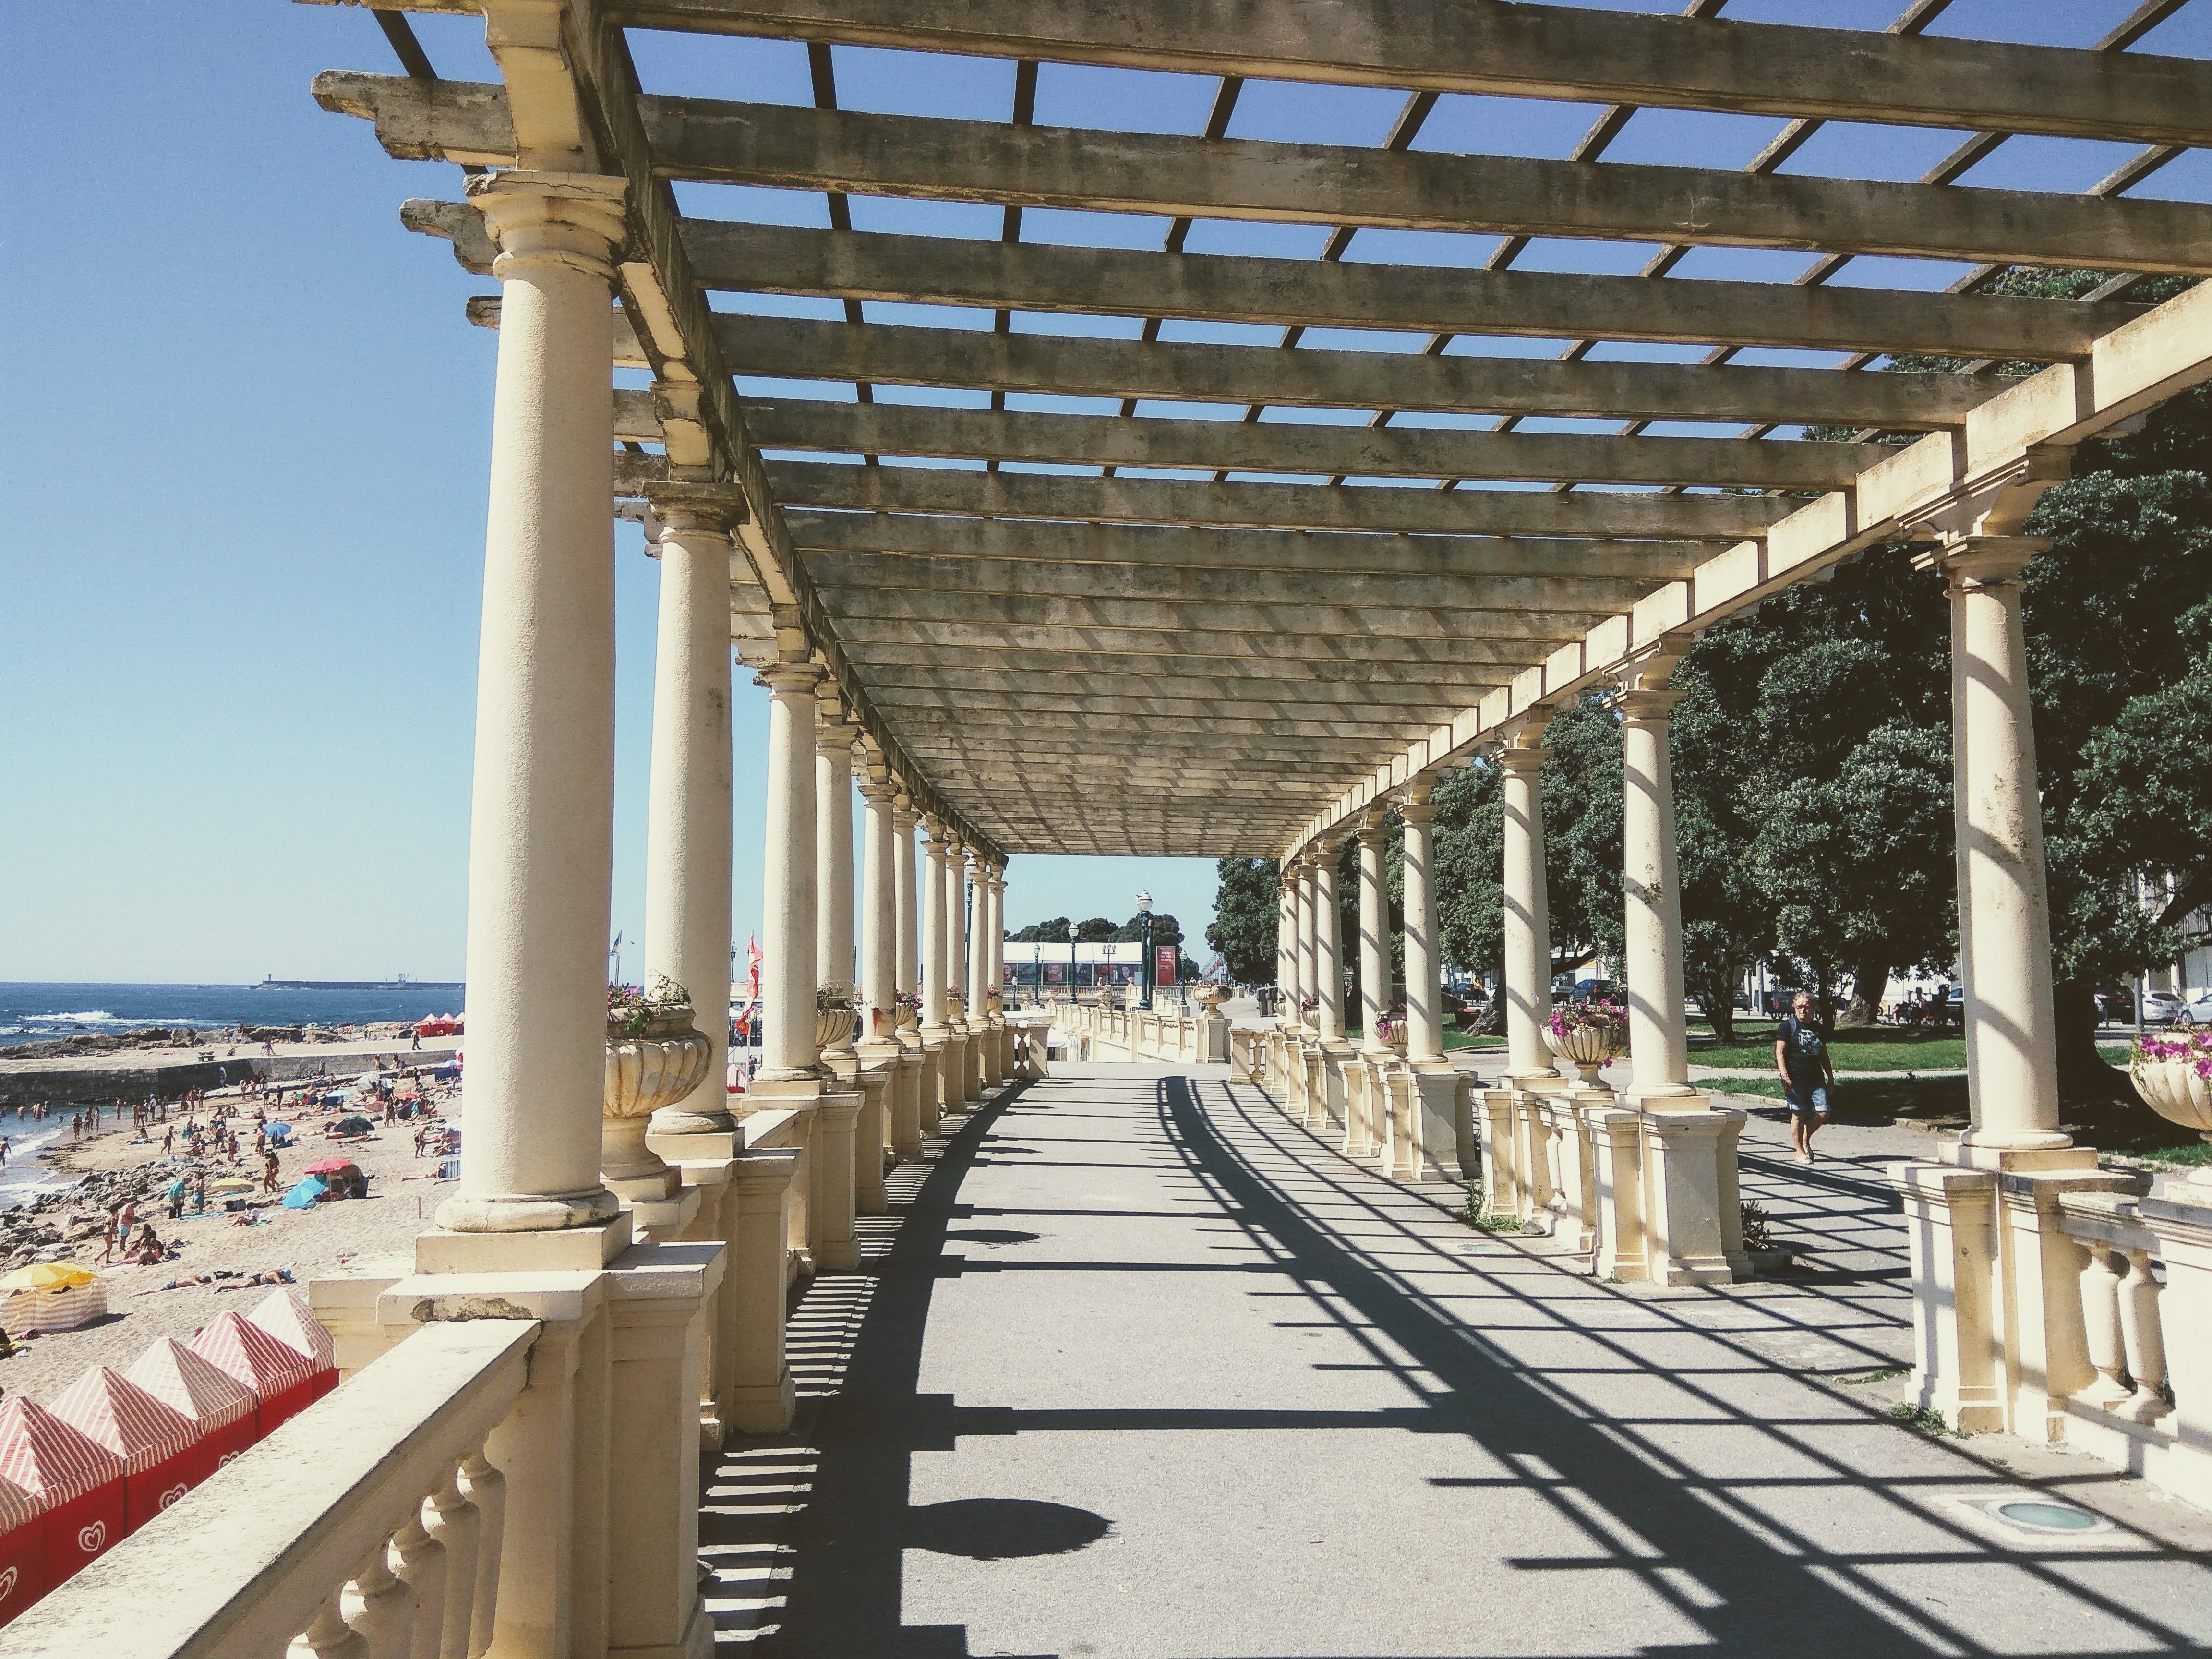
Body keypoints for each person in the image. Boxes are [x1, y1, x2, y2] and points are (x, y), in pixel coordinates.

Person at [1774, 991, 1837, 1165]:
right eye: (1799, 1007)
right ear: (1795, 1008)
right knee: (1799, 1113)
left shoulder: (1818, 1028)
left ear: (1813, 1009)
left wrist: (1830, 1078)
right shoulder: (1787, 1026)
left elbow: (1824, 1055)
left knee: (1824, 1112)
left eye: (1807, 1007)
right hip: (1796, 1077)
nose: (1803, 1010)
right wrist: (1785, 1077)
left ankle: (1805, 1138)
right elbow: (1780, 1053)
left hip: (1816, 1078)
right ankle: (1800, 1151)